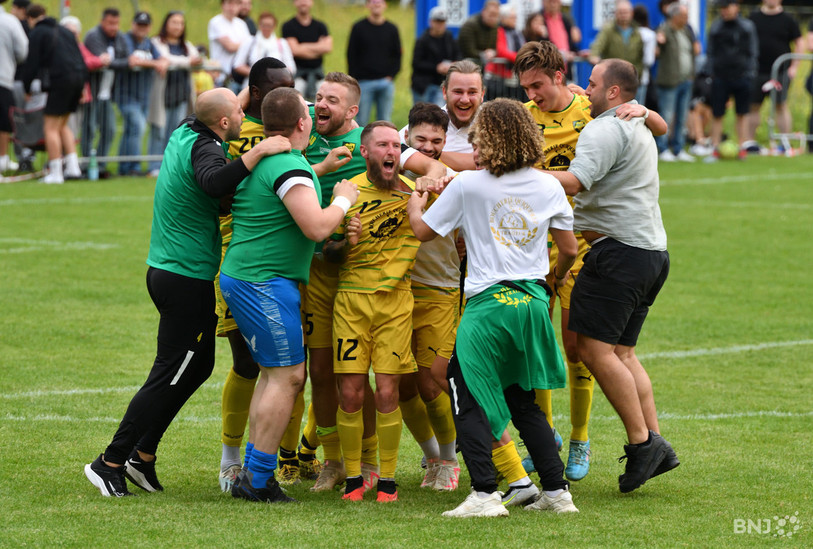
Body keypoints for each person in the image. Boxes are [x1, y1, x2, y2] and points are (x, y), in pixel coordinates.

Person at [83, 88, 291, 498]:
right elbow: (213, 182)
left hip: (170, 272)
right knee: (170, 372)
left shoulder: (187, 128)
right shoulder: (205, 146)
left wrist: (247, 89)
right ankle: (109, 462)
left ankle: (142, 456)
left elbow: (213, 108)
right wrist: (259, 150)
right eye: (238, 111)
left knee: (196, 367)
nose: (244, 114)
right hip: (184, 276)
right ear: (224, 122)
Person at [407, 98, 580, 518]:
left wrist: (416, 199)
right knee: (522, 399)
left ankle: (484, 493)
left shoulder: (471, 184)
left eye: (479, 139)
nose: (474, 146)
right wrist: (552, 278)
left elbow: (423, 232)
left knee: (465, 392)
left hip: (489, 304)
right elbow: (570, 249)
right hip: (532, 302)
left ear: (491, 139)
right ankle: (557, 493)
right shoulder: (549, 186)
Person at [514, 39, 666, 483]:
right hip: (542, 246)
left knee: (583, 350)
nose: (532, 95)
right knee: (547, 347)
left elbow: (576, 181)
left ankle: (589, 439)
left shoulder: (597, 117)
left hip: (595, 249)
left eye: (538, 85)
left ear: (559, 77)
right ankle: (553, 437)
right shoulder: (525, 117)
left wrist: (644, 110)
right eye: (526, 88)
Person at [545, 59, 679, 494]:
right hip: (650, 253)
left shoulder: (603, 128)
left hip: (618, 254)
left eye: (592, 83)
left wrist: (517, 175)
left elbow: (574, 182)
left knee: (592, 349)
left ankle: (642, 444)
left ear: (615, 92)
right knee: (622, 353)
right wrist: (646, 110)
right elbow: (660, 125)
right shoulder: (636, 121)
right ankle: (656, 442)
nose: (586, 90)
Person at [221, 87, 360, 504]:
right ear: (302, 123)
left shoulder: (272, 159)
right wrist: (342, 200)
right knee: (289, 377)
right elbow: (317, 227)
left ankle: (252, 472)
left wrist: (319, 169)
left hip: (250, 277)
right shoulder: (287, 165)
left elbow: (283, 186)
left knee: (273, 375)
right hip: (263, 282)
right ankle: (260, 478)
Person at [217, 58, 306, 493]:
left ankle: (275, 462)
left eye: (290, 87)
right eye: (273, 88)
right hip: (244, 262)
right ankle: (235, 461)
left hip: (269, 263)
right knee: (257, 366)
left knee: (281, 368)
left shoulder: (293, 136)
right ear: (253, 93)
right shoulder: (232, 130)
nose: (282, 95)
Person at [323, 121, 422, 503]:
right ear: (364, 151)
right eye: (382, 145)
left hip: (395, 304)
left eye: (396, 145)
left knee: (387, 391)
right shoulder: (347, 193)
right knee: (350, 393)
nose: (391, 151)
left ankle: (388, 481)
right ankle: (353, 479)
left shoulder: (414, 194)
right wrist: (346, 244)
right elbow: (327, 253)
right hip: (351, 303)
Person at [400, 102, 460, 491]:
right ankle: (433, 456)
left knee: (430, 382)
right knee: (401, 386)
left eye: (437, 141)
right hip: (396, 293)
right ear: (406, 137)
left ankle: (450, 460)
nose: (429, 147)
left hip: (440, 291)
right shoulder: (389, 174)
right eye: (421, 139)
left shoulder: (454, 183)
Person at [19, 4, 87, 184]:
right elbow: (79, 57)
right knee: (62, 124)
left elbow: (32, 63)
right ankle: (73, 168)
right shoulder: (65, 31)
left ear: (30, 18)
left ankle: (55, 173)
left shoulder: (37, 33)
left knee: (50, 127)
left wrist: (27, 88)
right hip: (77, 79)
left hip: (60, 80)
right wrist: (82, 86)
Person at [744, 0, 803, 153]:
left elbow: (799, 43)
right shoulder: (753, 18)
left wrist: (794, 67)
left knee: (780, 105)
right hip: (757, 71)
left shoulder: (788, 19)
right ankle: (749, 143)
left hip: (781, 71)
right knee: (753, 105)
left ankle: (785, 142)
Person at [147, 11, 201, 177]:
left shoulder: (186, 46)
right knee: (159, 129)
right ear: (166, 24)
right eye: (174, 22)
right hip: (162, 94)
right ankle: (154, 165)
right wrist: (187, 62)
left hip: (181, 94)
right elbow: (165, 58)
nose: (178, 26)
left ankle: (170, 164)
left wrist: (189, 61)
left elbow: (197, 59)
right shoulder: (156, 42)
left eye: (181, 23)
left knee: (176, 131)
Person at [116, 11, 169, 177]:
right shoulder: (125, 39)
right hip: (126, 94)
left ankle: (124, 167)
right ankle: (134, 167)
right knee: (137, 127)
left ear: (149, 27)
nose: (142, 28)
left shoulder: (148, 42)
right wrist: (155, 64)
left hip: (144, 96)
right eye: (139, 24)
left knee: (131, 130)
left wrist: (162, 62)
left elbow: (163, 59)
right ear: (133, 24)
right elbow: (133, 60)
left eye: (145, 25)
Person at [705, 0, 758, 161]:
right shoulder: (716, 27)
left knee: (742, 114)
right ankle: (715, 149)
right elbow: (710, 52)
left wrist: (750, 72)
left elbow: (753, 51)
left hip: (742, 76)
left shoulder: (747, 27)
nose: (724, 11)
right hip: (720, 77)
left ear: (736, 7)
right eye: (722, 8)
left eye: (727, 7)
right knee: (717, 114)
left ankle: (742, 148)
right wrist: (711, 73)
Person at [83, 7, 128, 179]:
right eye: (110, 23)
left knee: (109, 129)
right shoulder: (93, 36)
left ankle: (100, 164)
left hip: (107, 93)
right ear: (102, 21)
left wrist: (117, 62)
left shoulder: (120, 37)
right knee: (89, 128)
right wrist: (120, 62)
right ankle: (87, 164)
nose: (114, 27)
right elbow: (102, 61)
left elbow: (126, 58)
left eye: (116, 23)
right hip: (91, 91)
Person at [346, 0, 401, 125]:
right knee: (361, 121)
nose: (377, 4)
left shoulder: (392, 29)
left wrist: (391, 76)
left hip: (385, 82)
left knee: (385, 121)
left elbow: (397, 55)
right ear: (367, 5)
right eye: (373, 1)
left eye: (380, 1)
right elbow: (351, 55)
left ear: (385, 5)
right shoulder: (358, 27)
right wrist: (355, 80)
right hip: (363, 83)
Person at [654, 2, 696, 162]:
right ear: (674, 16)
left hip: (686, 80)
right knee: (666, 116)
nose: (686, 18)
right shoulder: (664, 29)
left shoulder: (686, 31)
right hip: (669, 81)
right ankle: (663, 148)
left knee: (682, 117)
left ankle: (679, 148)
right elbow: (658, 44)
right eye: (684, 16)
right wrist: (659, 41)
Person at [282, 0, 332, 101]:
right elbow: (294, 50)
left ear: (311, 2)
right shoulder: (288, 26)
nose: (303, 2)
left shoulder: (321, 26)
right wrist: (318, 48)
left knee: (323, 103)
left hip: (318, 75)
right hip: (297, 77)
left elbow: (327, 47)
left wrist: (302, 46)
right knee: (294, 104)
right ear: (294, 3)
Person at [410, 6, 460, 107]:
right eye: (437, 21)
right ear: (431, 22)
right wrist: (436, 67)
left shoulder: (449, 37)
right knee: (422, 114)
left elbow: (458, 54)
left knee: (439, 113)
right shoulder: (422, 40)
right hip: (423, 85)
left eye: (442, 22)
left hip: (441, 84)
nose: (439, 25)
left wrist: (453, 64)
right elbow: (416, 63)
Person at [233, 11, 296, 87]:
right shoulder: (250, 41)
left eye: (269, 26)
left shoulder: (281, 43)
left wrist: (277, 76)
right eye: (264, 25)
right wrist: (257, 74)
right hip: (252, 83)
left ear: (274, 26)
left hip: (276, 85)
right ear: (259, 25)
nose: (266, 28)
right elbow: (238, 65)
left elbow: (291, 67)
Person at [0, 0, 27, 173]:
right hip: (3, 78)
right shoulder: (10, 21)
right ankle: (2, 159)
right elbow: (22, 51)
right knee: (3, 122)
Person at [589, 1, 644, 79]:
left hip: (633, 76)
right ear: (615, 13)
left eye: (626, 12)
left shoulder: (638, 31)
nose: (623, 15)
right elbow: (598, 45)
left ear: (632, 13)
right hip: (613, 76)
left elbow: (643, 53)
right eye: (621, 12)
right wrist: (594, 56)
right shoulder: (608, 30)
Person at [484, 4, 525, 101]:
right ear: (503, 18)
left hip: (513, 75)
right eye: (512, 17)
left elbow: (525, 47)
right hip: (498, 76)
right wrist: (520, 57)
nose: (515, 20)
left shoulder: (517, 32)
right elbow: (502, 51)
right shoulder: (499, 31)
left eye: (515, 17)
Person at [208, 0, 251, 89]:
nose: (232, 7)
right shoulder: (216, 22)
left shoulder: (242, 24)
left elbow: (249, 48)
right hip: (222, 76)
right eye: (229, 3)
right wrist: (245, 45)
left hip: (239, 76)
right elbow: (230, 46)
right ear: (223, 5)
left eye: (236, 3)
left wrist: (242, 45)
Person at [457, 0, 499, 68]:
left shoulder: (496, 27)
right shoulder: (470, 25)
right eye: (491, 14)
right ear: (483, 12)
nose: (493, 18)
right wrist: (484, 54)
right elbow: (468, 51)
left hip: (484, 66)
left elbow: (498, 47)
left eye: (496, 15)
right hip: (466, 66)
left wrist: (494, 52)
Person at [632, 4, 656, 106]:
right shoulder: (649, 34)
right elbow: (649, 60)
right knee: (637, 107)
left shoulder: (629, 32)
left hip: (624, 76)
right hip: (642, 77)